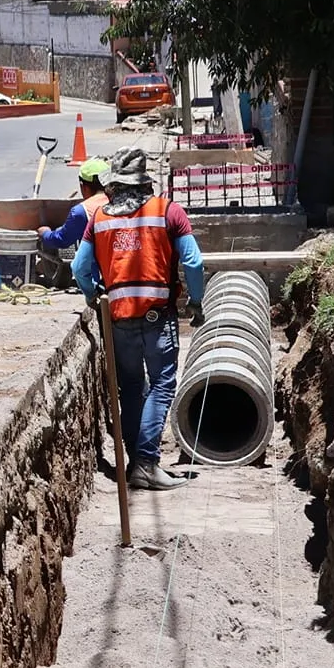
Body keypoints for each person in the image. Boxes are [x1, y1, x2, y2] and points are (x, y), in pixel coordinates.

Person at [72, 147, 205, 491]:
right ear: (146, 182)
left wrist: (92, 294)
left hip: (118, 318)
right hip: (157, 316)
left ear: (114, 184)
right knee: (161, 385)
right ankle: (146, 462)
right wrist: (196, 301)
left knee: (131, 387)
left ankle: (135, 460)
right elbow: (192, 263)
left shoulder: (99, 218)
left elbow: (79, 268)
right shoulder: (168, 211)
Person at [38, 158, 110, 254]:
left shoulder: (82, 211)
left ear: (83, 186)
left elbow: (62, 240)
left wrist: (45, 233)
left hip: (97, 266)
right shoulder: (124, 202)